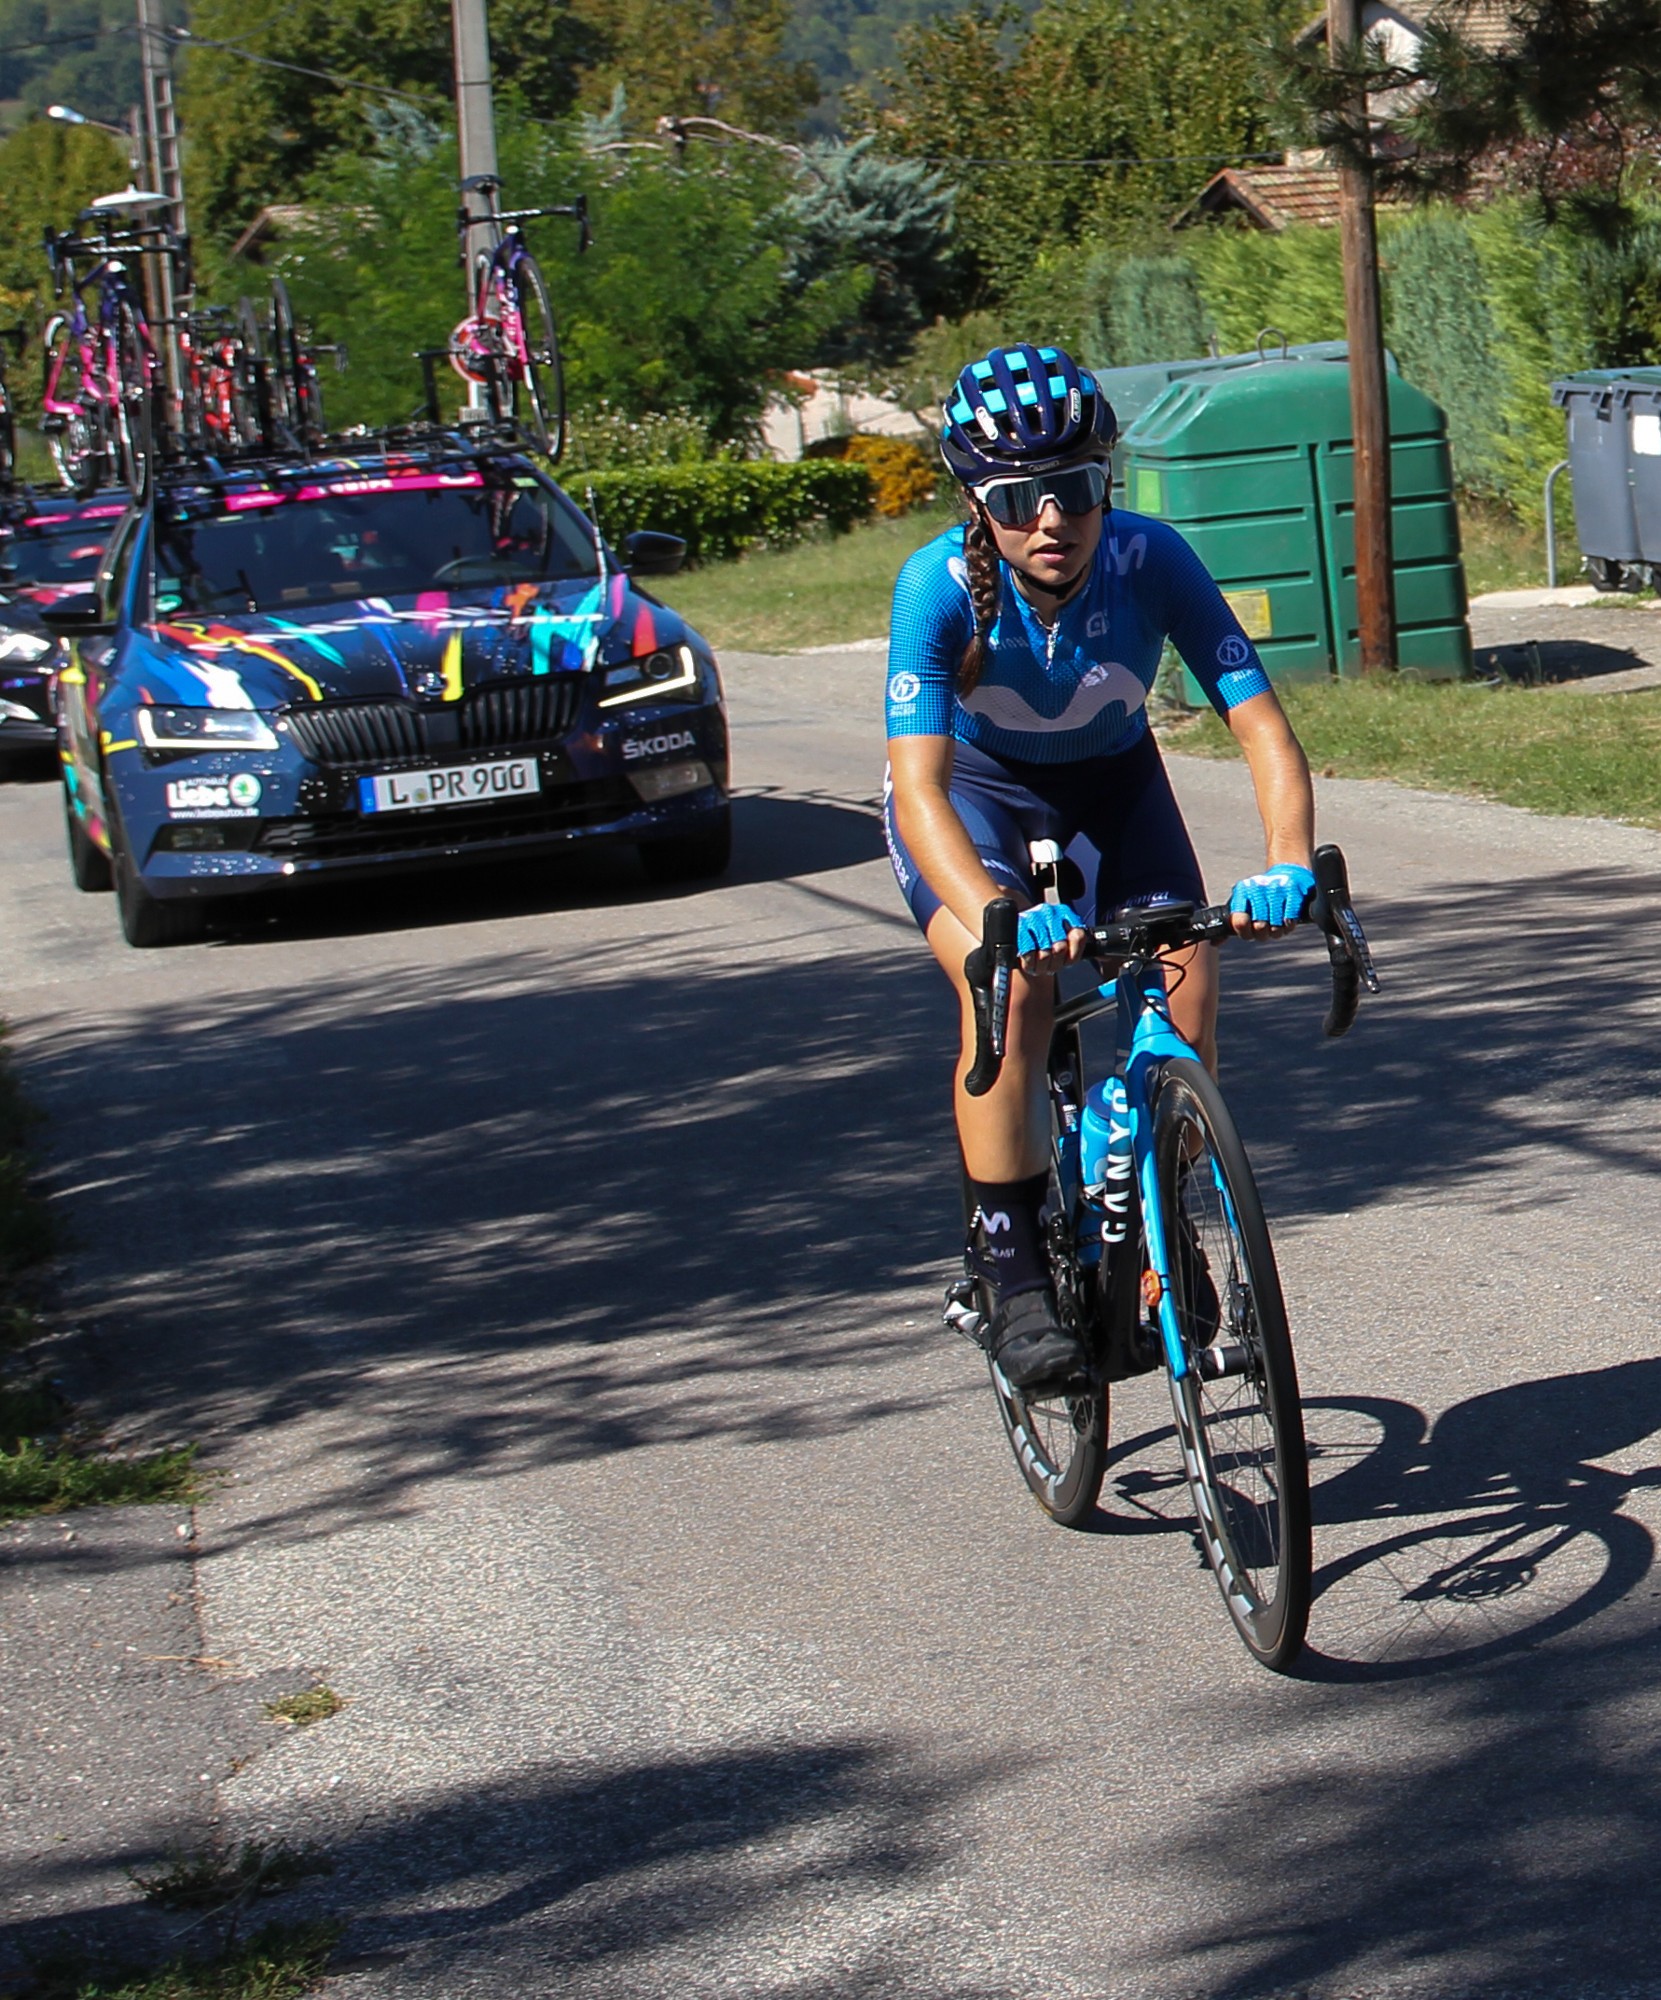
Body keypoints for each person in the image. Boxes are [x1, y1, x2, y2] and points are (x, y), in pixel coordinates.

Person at [883, 342, 1317, 1390]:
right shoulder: (936, 589)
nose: (1050, 518)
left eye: (1073, 489)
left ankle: (1163, 1248)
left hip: (1112, 789)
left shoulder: (1149, 559)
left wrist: (1287, 859)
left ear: (1102, 483)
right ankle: (1010, 1270)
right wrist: (995, 910)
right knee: (1014, 995)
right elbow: (917, 790)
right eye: (1018, 495)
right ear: (974, 498)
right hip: (971, 809)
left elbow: (1260, 727)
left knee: (1186, 981)